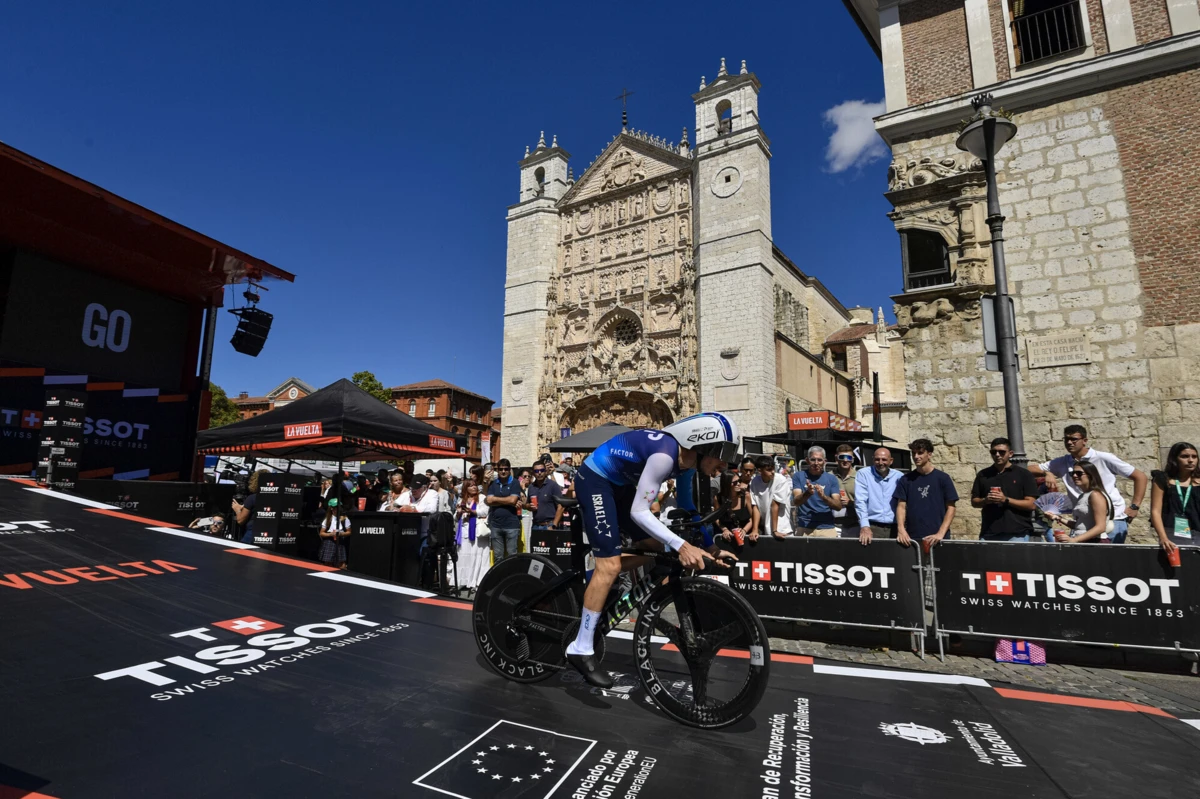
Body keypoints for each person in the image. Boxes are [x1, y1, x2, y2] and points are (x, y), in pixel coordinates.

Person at [566, 412, 740, 688]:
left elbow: (689, 509)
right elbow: (640, 511)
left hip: (620, 486)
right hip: (595, 480)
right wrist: (682, 545)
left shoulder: (687, 463)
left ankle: (601, 578)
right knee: (610, 565)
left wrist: (710, 546)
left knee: (656, 547)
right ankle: (581, 647)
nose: (724, 463)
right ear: (701, 444)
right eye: (722, 453)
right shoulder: (665, 456)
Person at [1029, 425, 1148, 544]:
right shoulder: (1063, 462)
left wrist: (1134, 506)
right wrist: (1046, 473)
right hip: (1083, 520)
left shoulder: (1103, 458)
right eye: (1066, 439)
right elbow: (1028, 469)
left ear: (1084, 441)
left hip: (1112, 519)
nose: (1069, 442)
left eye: (1074, 439)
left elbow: (1140, 477)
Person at [970, 437, 1038, 542]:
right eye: (994, 452)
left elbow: (1032, 504)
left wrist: (1005, 499)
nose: (997, 455)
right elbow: (974, 501)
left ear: (1010, 454)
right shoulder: (983, 474)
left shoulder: (1023, 474)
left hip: (1017, 533)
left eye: (1002, 452)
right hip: (989, 532)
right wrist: (986, 500)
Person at [895, 439, 958, 548]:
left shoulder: (943, 478)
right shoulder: (906, 479)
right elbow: (901, 506)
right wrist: (901, 530)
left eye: (920, 453)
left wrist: (940, 533)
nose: (916, 456)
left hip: (937, 537)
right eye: (913, 453)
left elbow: (951, 508)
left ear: (929, 455)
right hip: (912, 538)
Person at [1150, 441, 1199, 555]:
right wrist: (1163, 537)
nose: (1191, 460)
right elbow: (1155, 511)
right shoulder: (1163, 479)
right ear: (1175, 459)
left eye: (1194, 456)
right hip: (1172, 534)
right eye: (1185, 456)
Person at [1048, 461, 1112, 543]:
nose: (1074, 476)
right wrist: (1058, 518)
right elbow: (1080, 526)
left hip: (1095, 542)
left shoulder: (1095, 495)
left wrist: (1074, 540)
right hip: (1084, 541)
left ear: (1090, 475)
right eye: (1072, 473)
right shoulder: (1083, 496)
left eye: (1079, 473)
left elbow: (1100, 527)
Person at [855, 447, 902, 545]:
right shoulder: (863, 474)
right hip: (872, 527)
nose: (880, 463)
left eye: (884, 459)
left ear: (891, 461)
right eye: (877, 459)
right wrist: (864, 526)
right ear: (873, 460)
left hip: (895, 527)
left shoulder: (899, 476)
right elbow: (860, 501)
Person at [792, 447, 843, 537]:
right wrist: (808, 493)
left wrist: (824, 497)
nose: (816, 463)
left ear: (825, 461)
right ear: (807, 460)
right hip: (804, 527)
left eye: (819, 460)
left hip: (826, 527)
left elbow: (838, 506)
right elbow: (796, 501)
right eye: (813, 460)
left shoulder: (831, 478)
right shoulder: (798, 476)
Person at [455, 479, 491, 593]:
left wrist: (472, 511)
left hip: (477, 532)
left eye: (475, 485)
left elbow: (485, 512)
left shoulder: (481, 498)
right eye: (470, 486)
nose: (474, 487)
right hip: (464, 531)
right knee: (464, 557)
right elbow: (455, 517)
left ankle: (476, 582)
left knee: (477, 557)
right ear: (466, 488)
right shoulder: (461, 500)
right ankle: (464, 581)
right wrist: (459, 512)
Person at [485, 459, 523, 563]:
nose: (503, 471)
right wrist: (507, 501)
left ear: (509, 470)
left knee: (512, 556)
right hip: (496, 524)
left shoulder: (515, 482)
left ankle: (512, 578)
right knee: (498, 558)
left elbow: (513, 500)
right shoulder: (493, 483)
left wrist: (495, 500)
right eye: (500, 469)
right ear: (497, 470)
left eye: (506, 469)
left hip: (511, 524)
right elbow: (488, 500)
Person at [749, 455, 793, 539]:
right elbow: (755, 506)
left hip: (783, 530)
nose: (772, 472)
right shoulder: (754, 482)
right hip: (767, 531)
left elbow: (775, 505)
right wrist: (755, 530)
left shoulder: (781, 480)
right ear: (759, 470)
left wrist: (775, 530)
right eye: (769, 470)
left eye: (773, 469)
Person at [231, 469, 270, 544]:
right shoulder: (276, 498)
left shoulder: (252, 498)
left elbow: (240, 520)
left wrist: (237, 510)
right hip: (269, 536)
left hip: (252, 535)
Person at [831, 444, 859, 537]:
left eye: (849, 457)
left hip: (855, 524)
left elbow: (867, 501)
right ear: (836, 458)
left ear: (853, 459)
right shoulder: (829, 476)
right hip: (834, 525)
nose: (845, 460)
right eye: (842, 457)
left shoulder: (860, 477)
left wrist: (851, 503)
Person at [527, 462, 565, 528]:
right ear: (533, 473)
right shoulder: (531, 487)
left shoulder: (553, 485)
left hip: (549, 524)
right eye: (536, 471)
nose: (539, 473)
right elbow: (527, 504)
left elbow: (561, 506)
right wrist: (528, 506)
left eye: (542, 470)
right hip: (536, 525)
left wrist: (554, 525)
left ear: (545, 471)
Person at [318, 498, 351, 568]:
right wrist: (330, 534)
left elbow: (349, 532)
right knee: (328, 564)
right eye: (335, 507)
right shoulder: (328, 519)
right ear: (331, 509)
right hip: (329, 542)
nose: (338, 509)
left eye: (339, 507)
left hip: (340, 542)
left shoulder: (345, 519)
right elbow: (321, 533)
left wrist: (341, 534)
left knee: (342, 565)